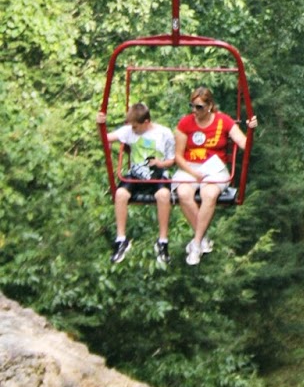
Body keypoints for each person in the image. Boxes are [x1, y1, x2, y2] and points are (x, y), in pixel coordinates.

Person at [173, 87, 257, 266]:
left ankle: (196, 242)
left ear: (210, 106)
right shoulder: (185, 123)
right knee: (183, 193)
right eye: (192, 106)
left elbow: (244, 144)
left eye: (199, 107)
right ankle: (202, 238)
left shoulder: (223, 121)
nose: (195, 111)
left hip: (214, 168)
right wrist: (193, 172)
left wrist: (251, 131)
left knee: (209, 194)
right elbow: (178, 156)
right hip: (190, 167)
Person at [97, 102, 175, 266]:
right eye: (131, 126)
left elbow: (172, 159)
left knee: (163, 195)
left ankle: (162, 240)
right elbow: (105, 139)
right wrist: (100, 125)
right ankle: (121, 239)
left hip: (157, 174)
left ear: (146, 122)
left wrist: (160, 164)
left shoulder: (164, 133)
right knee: (120, 194)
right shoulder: (128, 131)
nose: (133, 130)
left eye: (135, 127)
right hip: (137, 173)